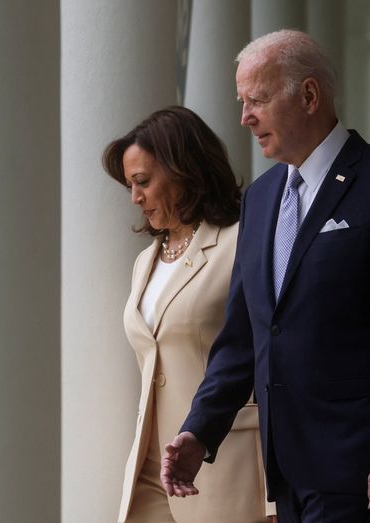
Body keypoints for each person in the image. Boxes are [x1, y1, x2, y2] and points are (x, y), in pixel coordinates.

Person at [159, 30, 370, 522]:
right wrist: (199, 431)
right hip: (283, 466)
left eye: (258, 100)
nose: (245, 117)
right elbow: (245, 335)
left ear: (309, 95)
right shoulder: (260, 197)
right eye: (242, 102)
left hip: (358, 464)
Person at [102, 106, 276, 523]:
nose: (135, 198)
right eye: (129, 185)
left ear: (185, 171)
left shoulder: (242, 241)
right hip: (153, 474)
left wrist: (273, 499)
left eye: (143, 182)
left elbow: (265, 351)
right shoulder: (145, 262)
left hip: (229, 472)